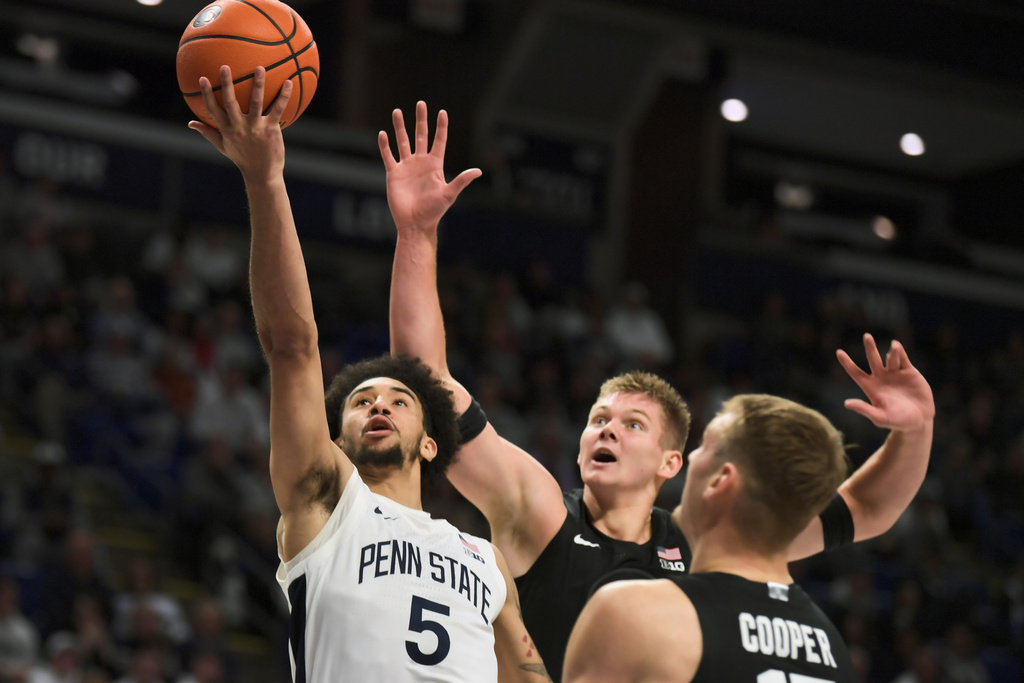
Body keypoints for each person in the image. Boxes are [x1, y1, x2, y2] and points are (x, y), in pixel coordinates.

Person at [383, 101, 935, 678]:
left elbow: (866, 509)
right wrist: (417, 235)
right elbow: (425, 384)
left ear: (672, 462)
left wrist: (916, 429)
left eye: (632, 425)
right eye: (599, 419)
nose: (607, 430)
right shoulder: (544, 514)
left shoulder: (712, 536)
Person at [188, 68, 550, 682]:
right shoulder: (327, 502)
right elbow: (292, 346)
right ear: (336, 440)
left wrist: (418, 232)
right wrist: (264, 178)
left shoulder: (485, 559)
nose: (377, 405)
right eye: (360, 402)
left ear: (431, 442)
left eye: (398, 400)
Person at [562, 393, 858, 682]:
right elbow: (865, 507)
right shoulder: (834, 649)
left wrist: (512, 621)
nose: (691, 455)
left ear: (720, 480)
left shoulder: (633, 613)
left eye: (705, 446)